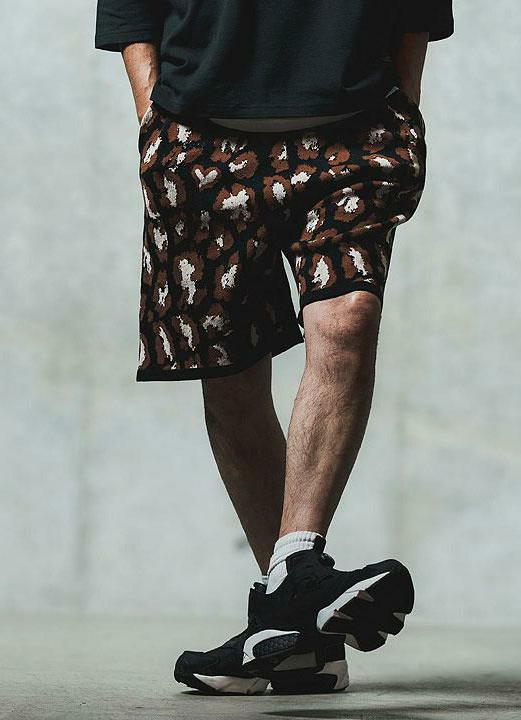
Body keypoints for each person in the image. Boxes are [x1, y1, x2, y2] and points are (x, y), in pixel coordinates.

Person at [95, 0, 454, 696]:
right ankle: (294, 630)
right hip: (199, 133)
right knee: (230, 377)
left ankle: (293, 573)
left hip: (355, 126)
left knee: (348, 320)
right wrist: (152, 121)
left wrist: (405, 107)